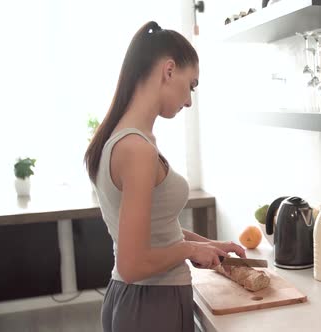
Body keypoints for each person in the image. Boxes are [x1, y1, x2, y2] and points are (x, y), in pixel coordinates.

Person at [84, 21, 246, 332]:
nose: (189, 101)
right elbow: (132, 266)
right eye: (192, 84)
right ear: (169, 71)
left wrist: (210, 244)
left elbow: (158, 229)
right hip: (152, 306)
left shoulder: (122, 139)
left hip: (137, 302)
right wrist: (189, 251)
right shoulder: (137, 149)